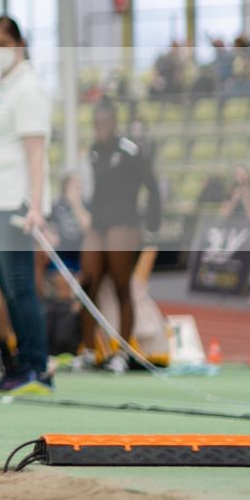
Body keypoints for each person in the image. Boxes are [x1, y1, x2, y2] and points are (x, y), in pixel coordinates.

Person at [0, 14, 53, 395]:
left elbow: (35, 153)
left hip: (16, 201)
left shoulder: (28, 89)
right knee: (6, 289)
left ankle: (37, 365)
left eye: (2, 44)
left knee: (22, 286)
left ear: (19, 44)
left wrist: (35, 205)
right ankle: (19, 364)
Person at [77, 99, 159, 365]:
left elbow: (152, 186)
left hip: (124, 221)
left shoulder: (130, 150)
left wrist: (152, 224)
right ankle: (89, 351)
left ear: (114, 122)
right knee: (88, 283)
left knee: (122, 286)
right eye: (96, 123)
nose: (100, 127)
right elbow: (94, 191)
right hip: (99, 222)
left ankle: (122, 353)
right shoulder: (94, 152)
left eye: (104, 122)